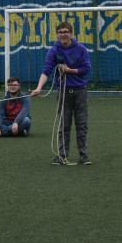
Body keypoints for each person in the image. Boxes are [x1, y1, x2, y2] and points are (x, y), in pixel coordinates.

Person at [30, 20, 92, 166]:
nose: (63, 35)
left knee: (82, 124)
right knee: (64, 125)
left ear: (71, 33)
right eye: (60, 32)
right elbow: (46, 70)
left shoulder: (81, 49)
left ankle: (83, 155)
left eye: (65, 32)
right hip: (63, 92)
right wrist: (39, 88)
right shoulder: (54, 50)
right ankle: (61, 155)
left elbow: (86, 69)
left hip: (80, 91)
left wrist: (70, 71)